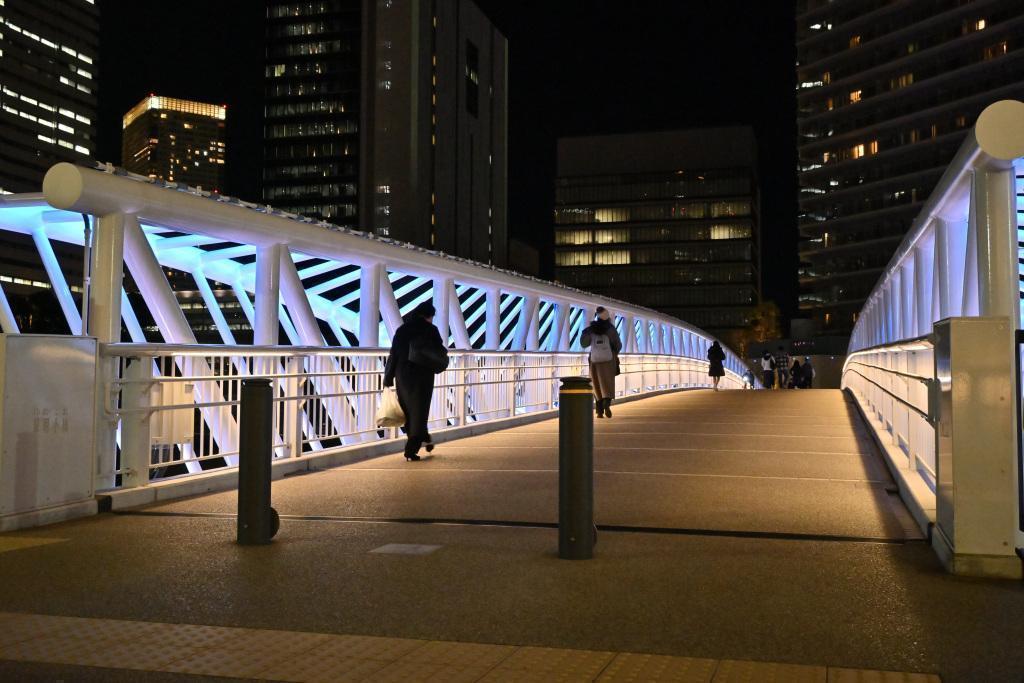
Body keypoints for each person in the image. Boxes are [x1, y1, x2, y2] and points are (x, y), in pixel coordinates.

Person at [383, 301, 448, 461]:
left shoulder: (402, 330)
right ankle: (411, 448)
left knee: (408, 410)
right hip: (422, 375)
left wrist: (388, 377)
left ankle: (422, 435)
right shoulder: (430, 330)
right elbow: (439, 351)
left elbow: (394, 354)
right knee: (420, 409)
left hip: (402, 375)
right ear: (428, 315)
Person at [580, 306, 622, 418]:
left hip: (594, 361)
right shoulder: (611, 329)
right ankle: (606, 404)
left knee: (596, 384)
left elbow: (584, 344)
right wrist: (614, 353)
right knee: (608, 384)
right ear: (608, 317)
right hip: (609, 360)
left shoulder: (591, 329)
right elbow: (618, 345)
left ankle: (599, 411)